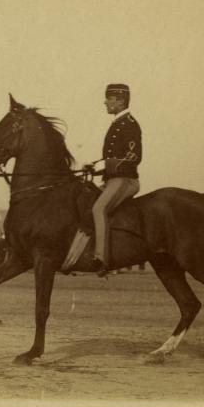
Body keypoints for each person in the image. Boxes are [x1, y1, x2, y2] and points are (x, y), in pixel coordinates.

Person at [66, 83, 142, 277]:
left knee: (99, 208)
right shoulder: (117, 123)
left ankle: (102, 259)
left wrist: (103, 165)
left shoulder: (130, 124)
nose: (106, 102)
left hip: (125, 180)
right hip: (112, 179)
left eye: (110, 99)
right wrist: (95, 165)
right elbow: (113, 156)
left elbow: (133, 157)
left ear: (121, 100)